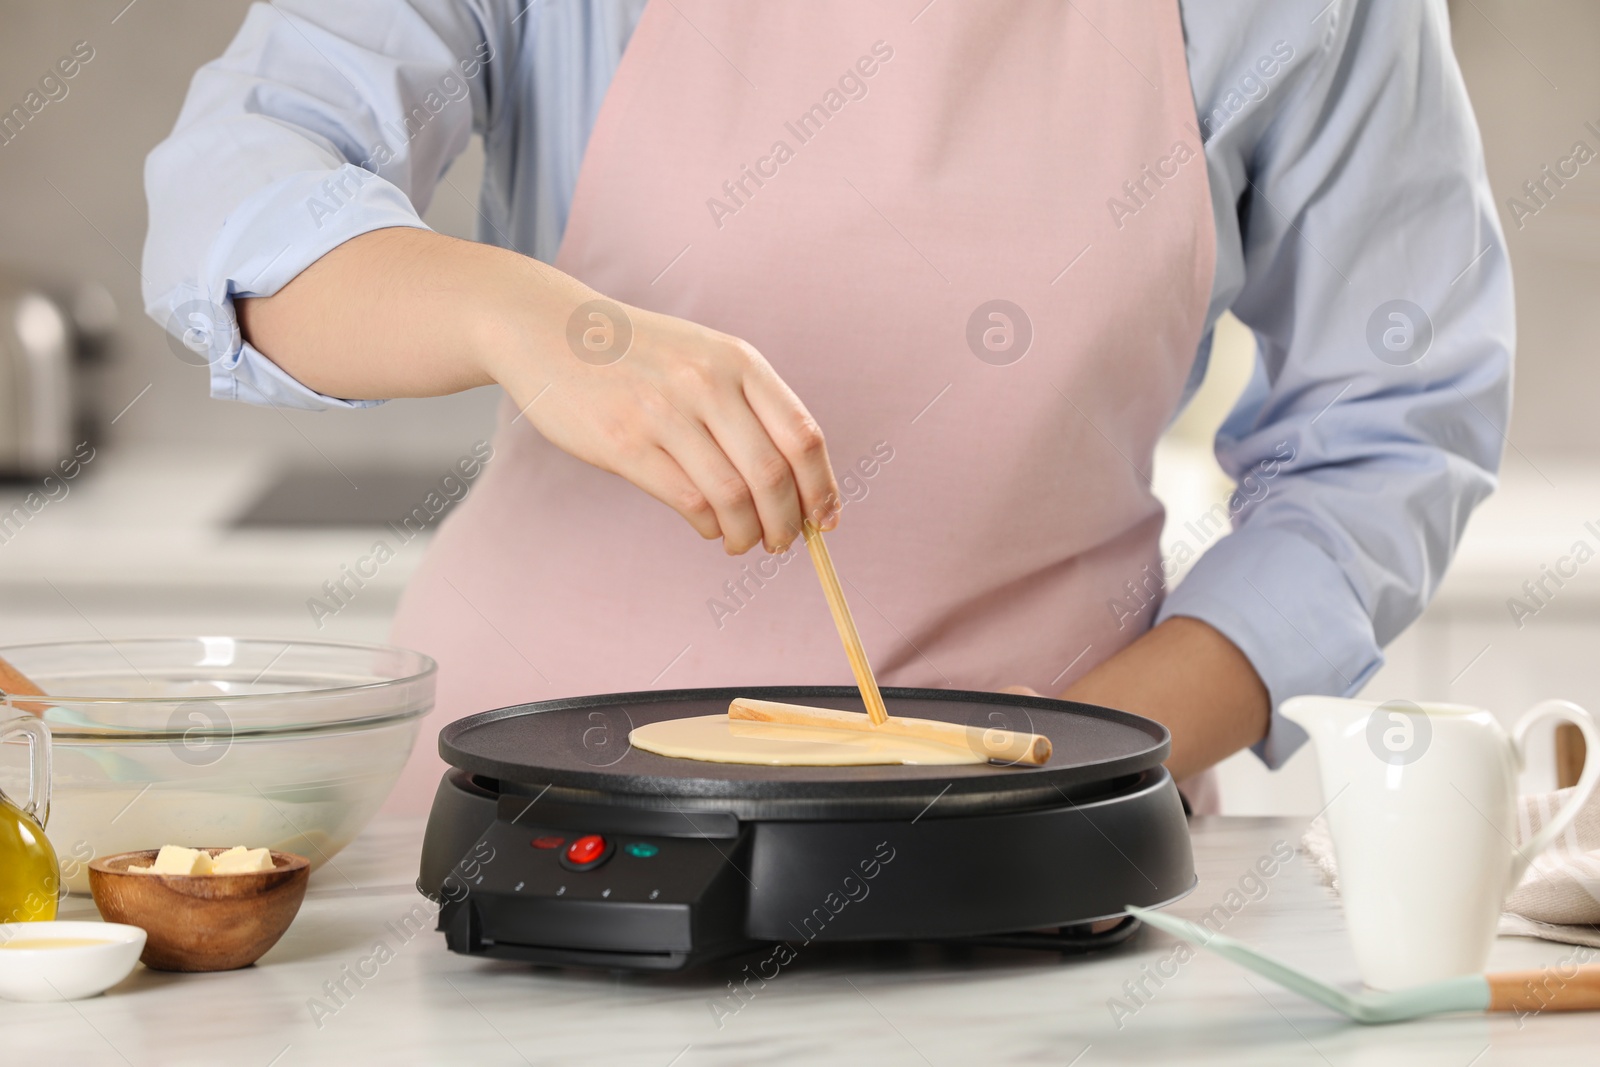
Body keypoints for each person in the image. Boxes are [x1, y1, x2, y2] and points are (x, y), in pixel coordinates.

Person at [142, 0, 1512, 813]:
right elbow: (238, 187)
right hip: (534, 827)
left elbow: (1389, 433)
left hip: (1039, 852)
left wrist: (1062, 768)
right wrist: (527, 318)